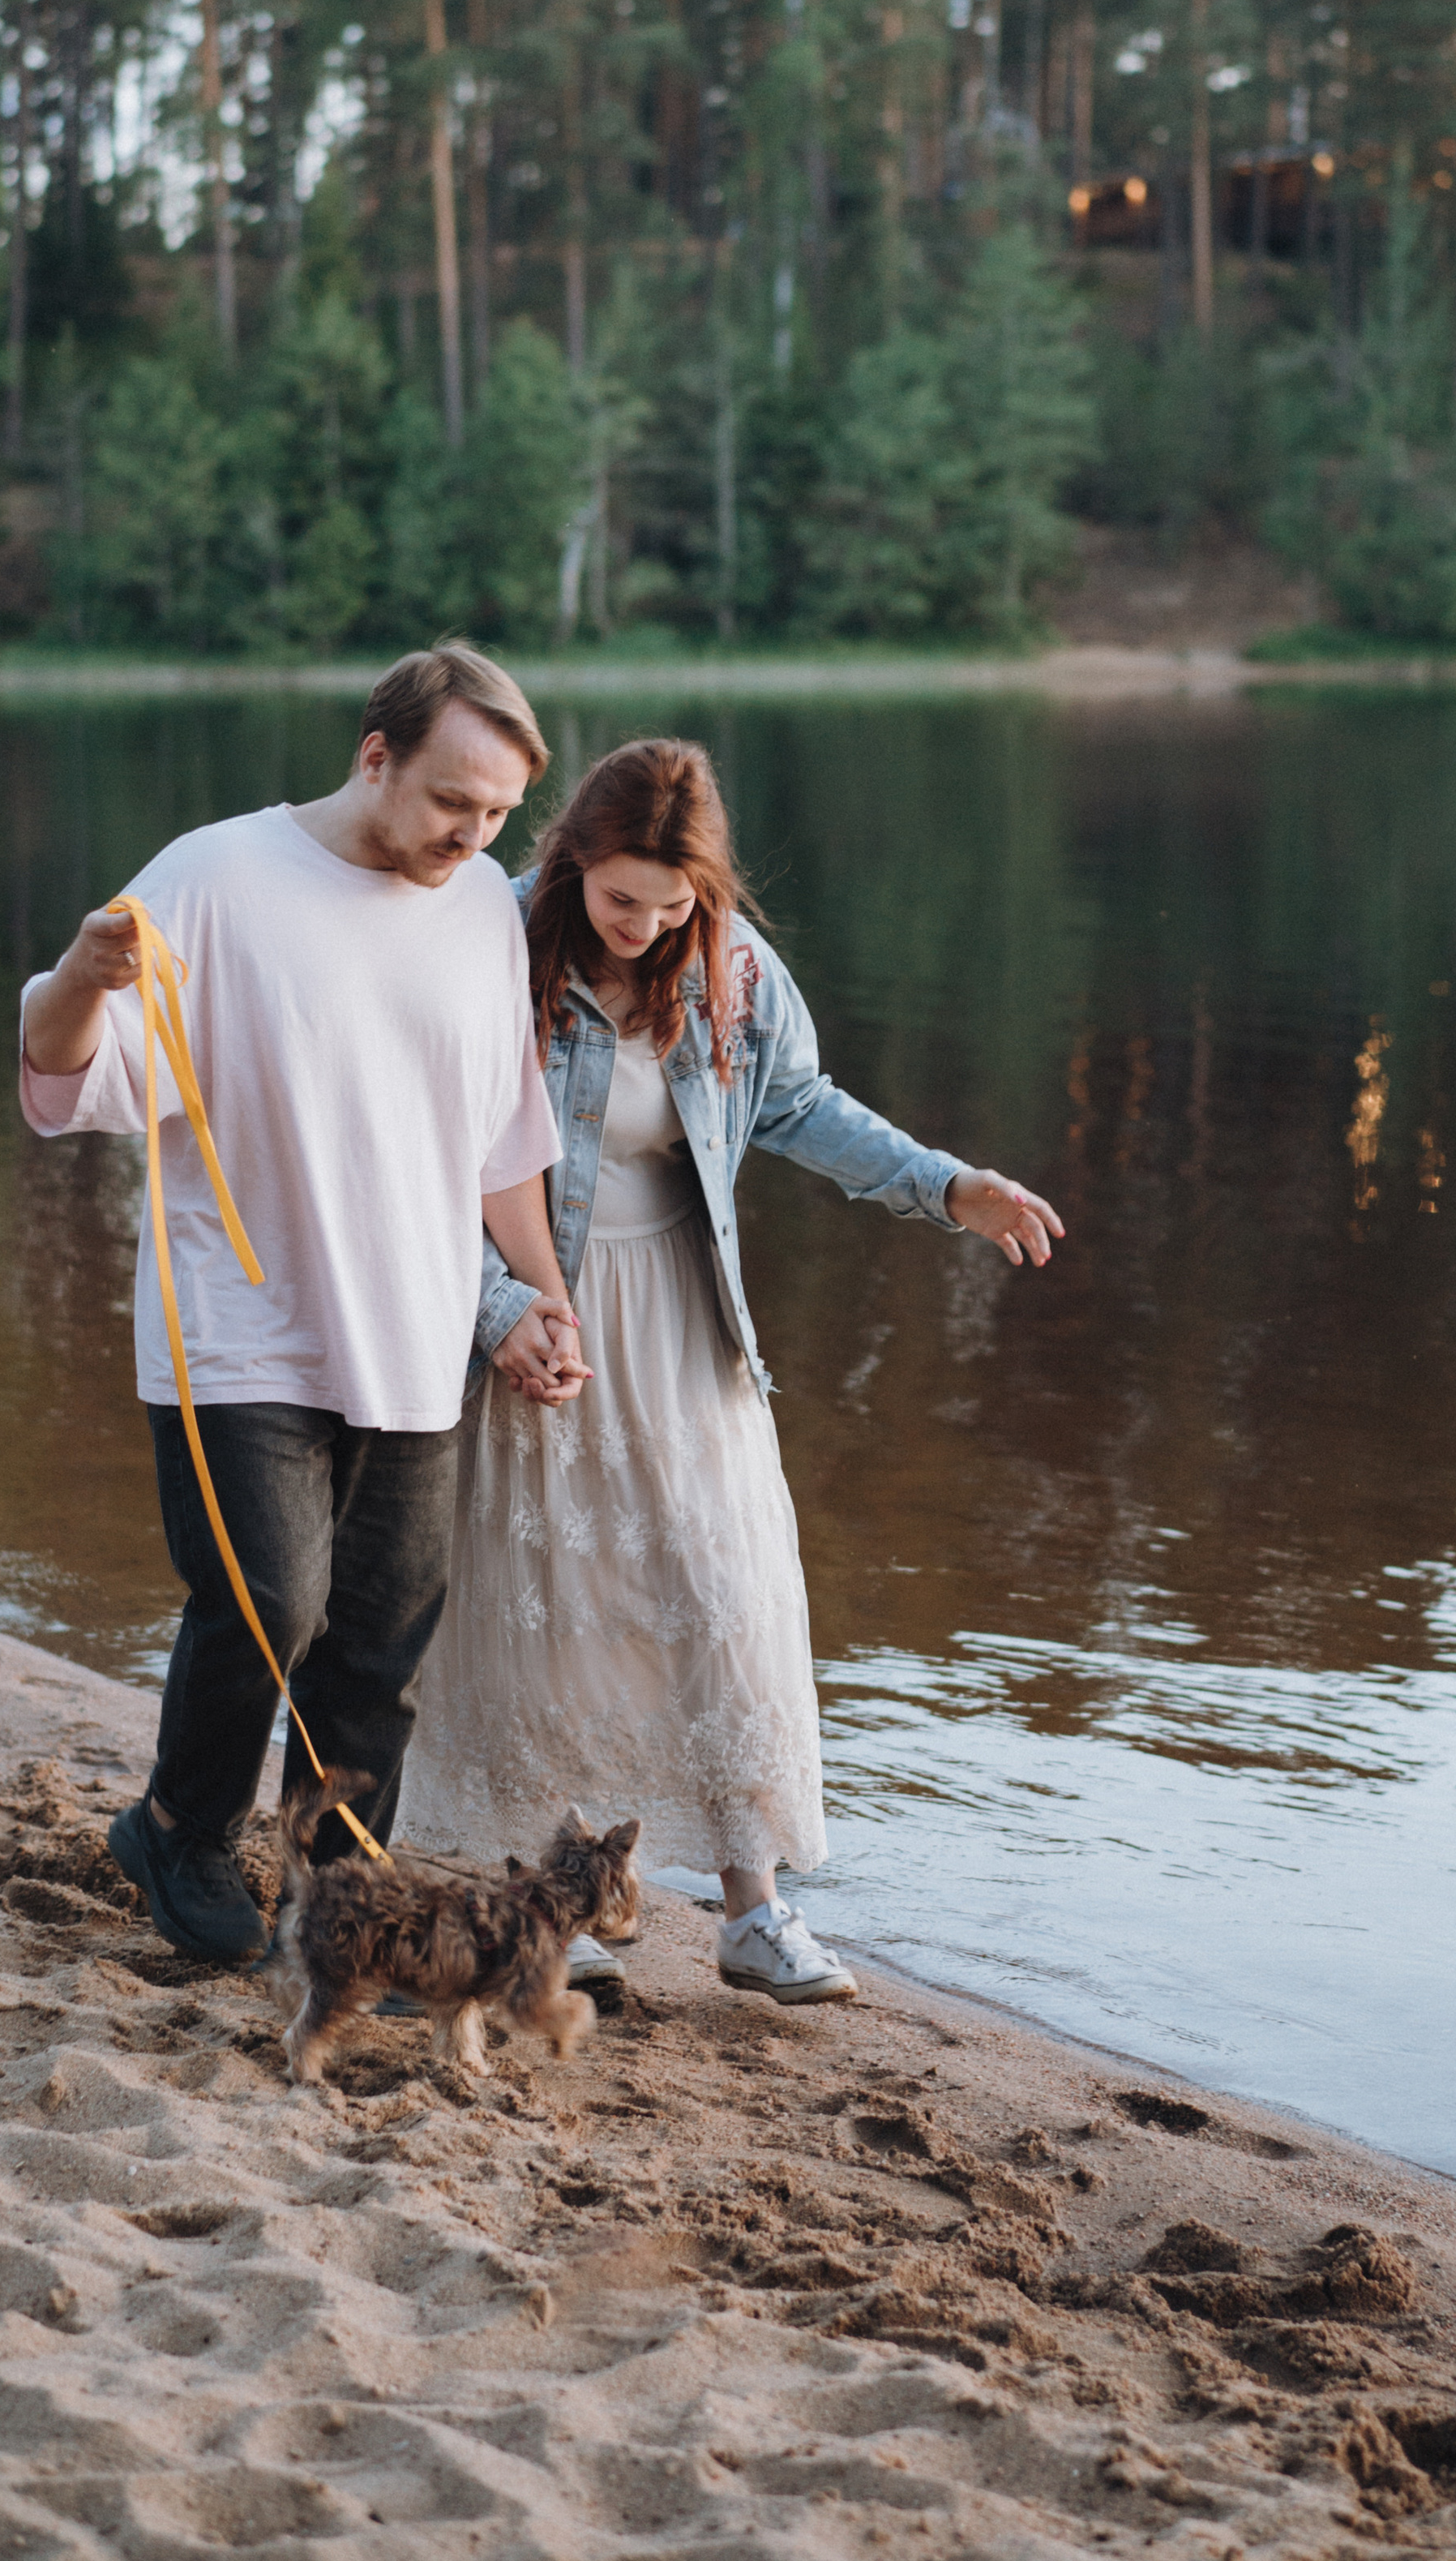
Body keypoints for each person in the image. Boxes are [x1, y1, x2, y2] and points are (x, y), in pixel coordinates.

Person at [394, 738, 1063, 2005]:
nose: (646, 927)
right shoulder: (499, 962)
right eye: (620, 900)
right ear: (573, 862)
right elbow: (429, 1165)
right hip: (547, 1319)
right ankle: (561, 1908)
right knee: (561, 1613)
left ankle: (755, 1913)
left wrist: (948, 1187)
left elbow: (799, 1107)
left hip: (691, 1329)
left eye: (673, 902)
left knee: (720, 1604)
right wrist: (499, 1313)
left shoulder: (736, 971)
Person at [17, 646, 588, 1967]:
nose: (476, 836)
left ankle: (340, 1901)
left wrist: (546, 1299)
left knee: (381, 1641)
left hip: (416, 1325)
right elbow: (57, 1078)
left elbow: (504, 1140)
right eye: (455, 802)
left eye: (500, 815)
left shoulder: (480, 915)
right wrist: (83, 978)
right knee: (270, 1601)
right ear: (374, 755)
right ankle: (179, 1824)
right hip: (241, 1326)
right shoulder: (214, 878)